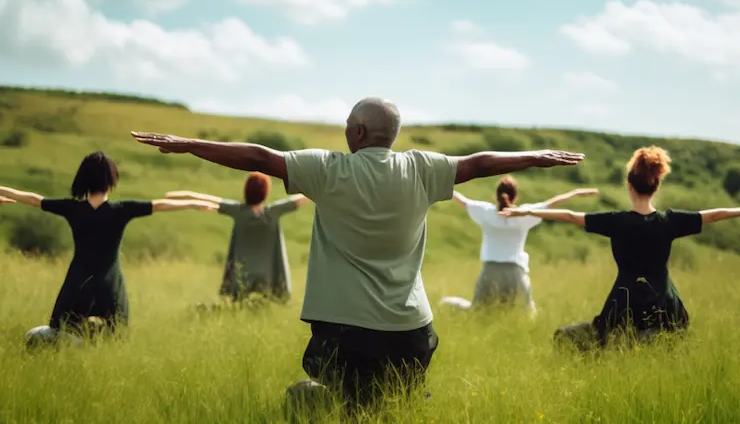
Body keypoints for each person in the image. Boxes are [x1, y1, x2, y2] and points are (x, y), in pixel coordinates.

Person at [131, 97, 585, 412]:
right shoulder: (422, 168)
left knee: (326, 401)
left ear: (360, 131)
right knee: (395, 403)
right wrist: (535, 157)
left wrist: (189, 144)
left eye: (349, 124)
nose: (345, 130)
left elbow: (258, 157)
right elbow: (480, 163)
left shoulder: (329, 170)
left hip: (346, 334)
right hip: (412, 331)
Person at [500, 146, 740, 350]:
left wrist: (527, 210)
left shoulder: (617, 221)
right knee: (658, 341)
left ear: (629, 186)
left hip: (624, 304)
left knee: (571, 337)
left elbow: (571, 216)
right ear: (656, 186)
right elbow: (713, 215)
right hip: (665, 306)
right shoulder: (669, 222)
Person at [0, 151, 217, 347]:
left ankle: (76, 351)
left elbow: (33, 199)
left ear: (82, 179)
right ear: (110, 180)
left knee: (60, 330)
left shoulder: (72, 209)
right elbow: (159, 205)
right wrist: (192, 203)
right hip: (109, 284)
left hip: (77, 284)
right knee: (116, 336)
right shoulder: (120, 210)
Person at [440, 178, 598, 315]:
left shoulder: (485, 212)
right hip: (515, 274)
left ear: (496, 195)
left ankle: (446, 303)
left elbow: (461, 200)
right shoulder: (524, 214)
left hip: (490, 272)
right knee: (527, 315)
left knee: (478, 312)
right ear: (515, 196)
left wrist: (442, 182)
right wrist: (575, 193)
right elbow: (551, 204)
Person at [164, 173, 310, 305]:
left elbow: (208, 199)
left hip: (242, 274)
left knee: (239, 306)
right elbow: (300, 199)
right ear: (265, 192)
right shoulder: (272, 212)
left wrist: (179, 195)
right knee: (265, 306)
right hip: (268, 275)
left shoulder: (238, 211)